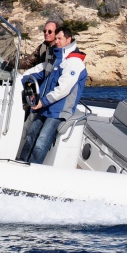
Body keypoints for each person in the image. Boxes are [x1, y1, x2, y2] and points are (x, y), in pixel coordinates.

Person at [18, 26, 88, 164]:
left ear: (69, 39)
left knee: (41, 141)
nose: (56, 41)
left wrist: (42, 102)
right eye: (56, 38)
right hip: (45, 106)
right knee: (31, 136)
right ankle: (21, 162)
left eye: (59, 38)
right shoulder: (58, 57)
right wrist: (20, 79)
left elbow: (63, 89)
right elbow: (42, 72)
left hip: (58, 111)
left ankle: (34, 169)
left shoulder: (74, 62)